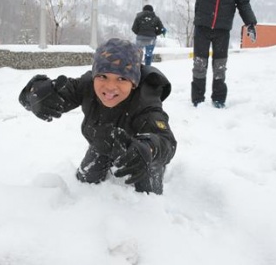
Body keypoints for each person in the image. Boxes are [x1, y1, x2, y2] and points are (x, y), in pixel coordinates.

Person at [19, 38, 177, 194]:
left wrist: (149, 148)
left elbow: (166, 140)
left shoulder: (146, 100)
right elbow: (52, 95)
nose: (110, 87)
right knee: (85, 179)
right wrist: (33, 94)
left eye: (122, 78)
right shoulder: (87, 85)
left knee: (147, 191)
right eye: (103, 76)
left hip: (139, 153)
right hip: (103, 142)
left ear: (134, 82)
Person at [176, 0, 257, 108]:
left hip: (222, 31)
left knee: (219, 67)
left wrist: (250, 23)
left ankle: (219, 99)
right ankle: (197, 100)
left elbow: (244, 4)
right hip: (202, 29)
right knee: (199, 65)